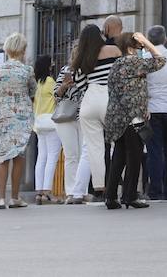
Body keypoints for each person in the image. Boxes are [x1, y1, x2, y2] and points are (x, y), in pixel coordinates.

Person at [103, 31, 166, 209]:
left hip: (116, 116)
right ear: (132, 48)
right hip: (133, 116)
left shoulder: (116, 64)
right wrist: (147, 42)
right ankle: (129, 196)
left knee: (119, 157)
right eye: (140, 48)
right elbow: (160, 60)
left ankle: (111, 197)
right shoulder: (134, 62)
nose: (142, 50)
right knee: (135, 155)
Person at [0, 33, 34, 209]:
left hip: (1, 116)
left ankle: (1, 198)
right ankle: (15, 197)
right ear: (23, 50)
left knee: (2, 158)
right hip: (21, 117)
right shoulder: (27, 70)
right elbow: (33, 92)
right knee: (18, 156)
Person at [74, 22, 123, 202]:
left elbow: (79, 84)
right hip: (109, 98)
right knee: (117, 145)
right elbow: (121, 76)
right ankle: (115, 186)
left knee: (94, 148)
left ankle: (99, 186)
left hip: (89, 100)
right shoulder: (114, 50)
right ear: (100, 35)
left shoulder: (82, 58)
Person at [142, 24, 167, 202]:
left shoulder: (144, 57)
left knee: (154, 152)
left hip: (151, 110)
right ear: (165, 38)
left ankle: (155, 190)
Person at [53, 42, 90, 204]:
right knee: (71, 155)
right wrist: (64, 86)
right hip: (66, 116)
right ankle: (71, 191)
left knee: (84, 155)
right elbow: (56, 94)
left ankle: (80, 191)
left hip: (84, 115)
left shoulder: (90, 70)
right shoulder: (65, 71)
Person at [31, 54, 63, 205]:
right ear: (48, 66)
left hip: (38, 123)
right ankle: (47, 191)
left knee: (41, 157)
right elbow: (58, 97)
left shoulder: (35, 83)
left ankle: (39, 192)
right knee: (52, 157)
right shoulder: (50, 81)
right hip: (51, 122)